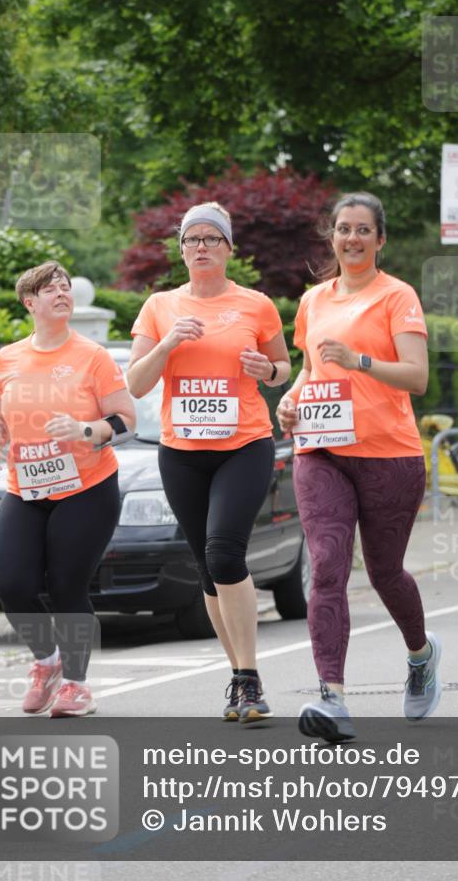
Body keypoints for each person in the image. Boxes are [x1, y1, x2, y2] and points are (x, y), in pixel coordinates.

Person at [276, 191, 440, 742]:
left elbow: (416, 376)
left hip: (389, 454)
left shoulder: (398, 297)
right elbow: (308, 370)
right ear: (333, 236)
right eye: (343, 228)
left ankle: (419, 656)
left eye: (363, 229)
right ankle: (333, 698)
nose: (352, 238)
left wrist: (361, 361)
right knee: (326, 567)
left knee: (386, 573)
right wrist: (291, 399)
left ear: (380, 239)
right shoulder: (312, 302)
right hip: (321, 451)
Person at [127, 202, 291, 722]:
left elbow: (284, 368)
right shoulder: (160, 307)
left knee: (224, 554)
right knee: (205, 568)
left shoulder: (256, 304)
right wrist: (169, 343)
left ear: (228, 248)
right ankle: (239, 677)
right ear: (181, 249)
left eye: (212, 239)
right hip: (182, 452)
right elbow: (135, 384)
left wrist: (267, 369)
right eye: (192, 239)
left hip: (244, 444)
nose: (201, 247)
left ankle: (249, 677)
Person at [0, 261, 136, 717]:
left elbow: (126, 420)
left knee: (68, 583)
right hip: (25, 486)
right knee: (11, 581)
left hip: (86, 486)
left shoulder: (92, 356)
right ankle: (46, 662)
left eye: (66, 286)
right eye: (51, 288)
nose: (62, 292)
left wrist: (85, 431)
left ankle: (76, 685)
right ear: (30, 302)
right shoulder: (8, 357)